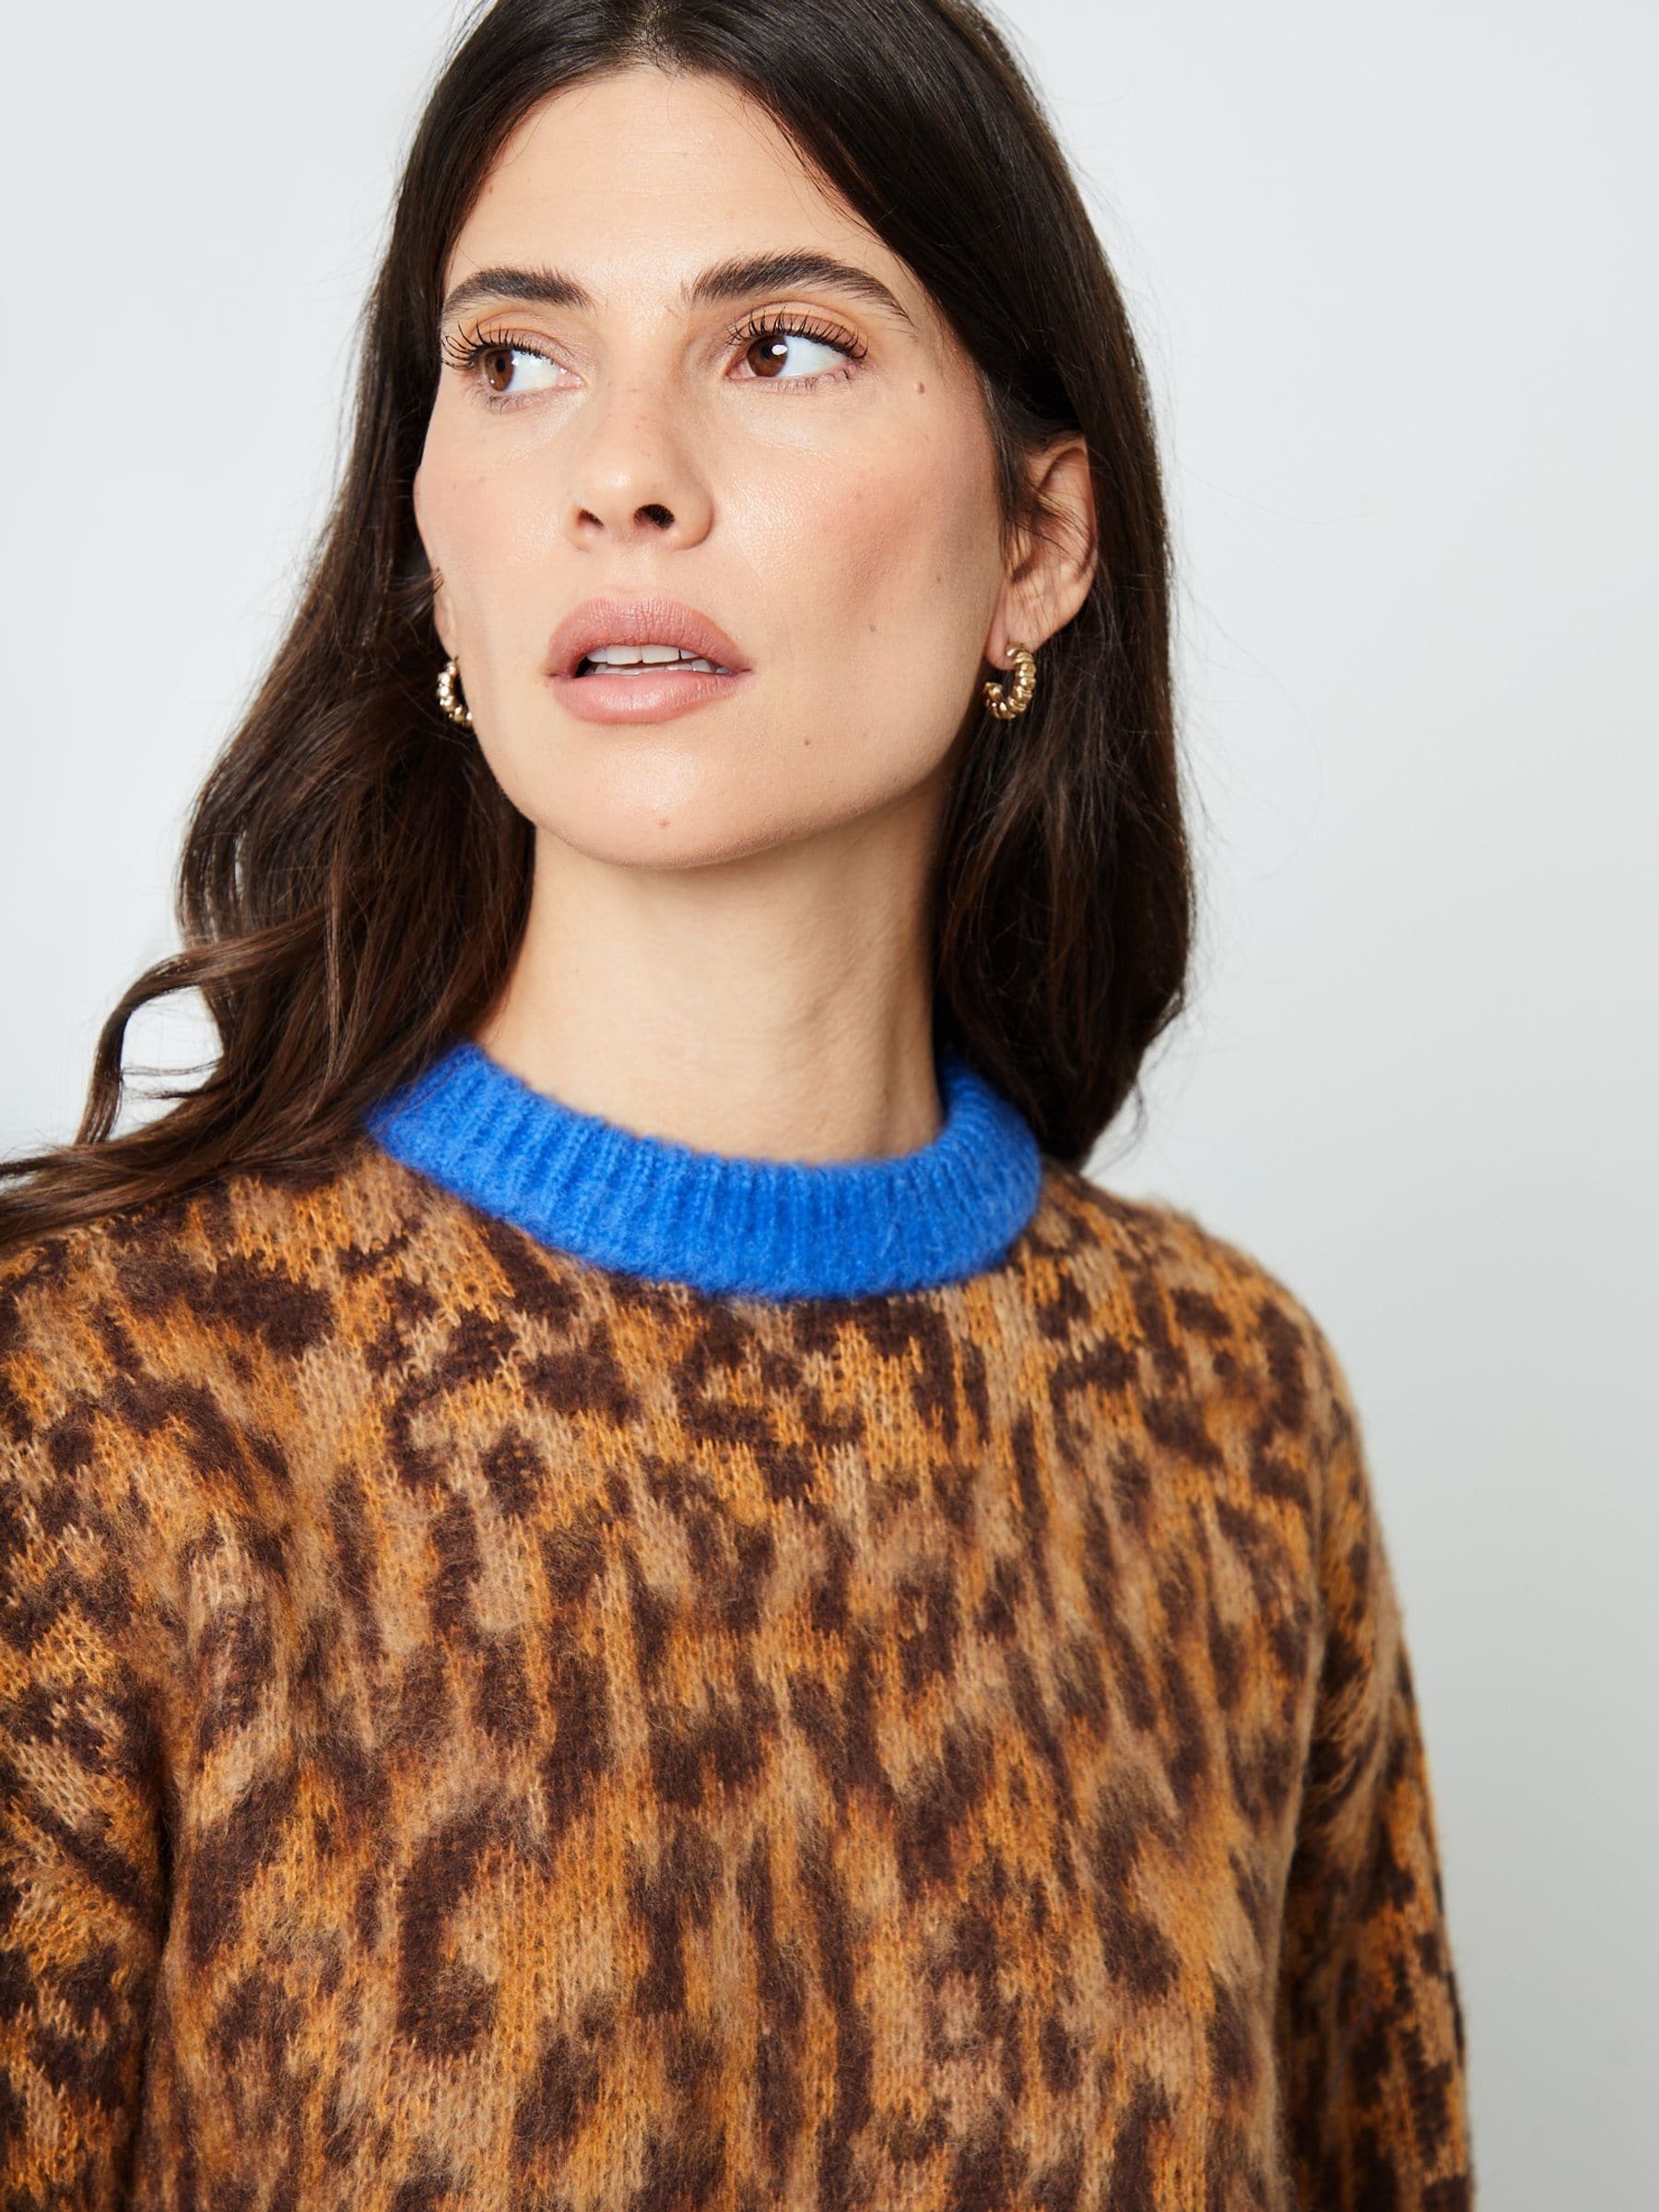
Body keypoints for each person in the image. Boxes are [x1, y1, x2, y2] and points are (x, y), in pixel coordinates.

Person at [0, 2, 1474, 2206]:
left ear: (1041, 539)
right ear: (426, 534)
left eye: (781, 346)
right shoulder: (90, 1405)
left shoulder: (1229, 1418)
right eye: (518, 360)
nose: (625, 471)